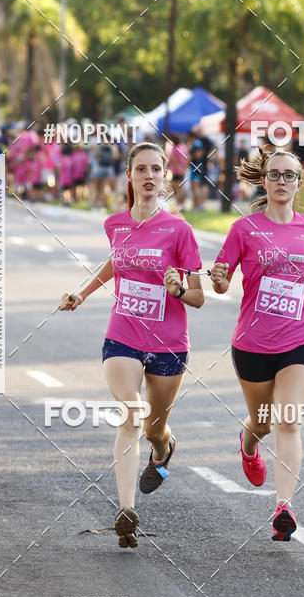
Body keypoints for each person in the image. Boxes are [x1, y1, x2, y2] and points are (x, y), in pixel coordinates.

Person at [59, 142, 204, 548]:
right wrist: (82, 293)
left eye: (156, 168)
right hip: (123, 334)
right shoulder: (115, 224)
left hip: (169, 343)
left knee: (155, 429)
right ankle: (127, 511)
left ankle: (163, 451)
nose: (148, 175)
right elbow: (117, 261)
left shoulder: (179, 230)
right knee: (131, 416)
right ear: (129, 176)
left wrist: (177, 290)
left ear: (165, 176)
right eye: (141, 168)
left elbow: (198, 296)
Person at [210, 147, 304, 542]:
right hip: (252, 342)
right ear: (264, 181)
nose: (282, 181)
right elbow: (221, 281)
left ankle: (283, 507)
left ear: (299, 183)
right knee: (263, 422)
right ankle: (248, 443)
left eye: (289, 175)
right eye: (275, 175)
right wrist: (218, 278)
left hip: (302, 336)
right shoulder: (244, 229)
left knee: (288, 418)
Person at [167, 133, 188, 207]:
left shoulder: (175, 148)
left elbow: (174, 160)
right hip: (183, 170)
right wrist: (184, 169)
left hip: (176, 171)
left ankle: (179, 204)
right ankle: (182, 204)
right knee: (181, 188)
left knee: (177, 188)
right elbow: (187, 159)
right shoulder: (183, 147)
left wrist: (178, 169)